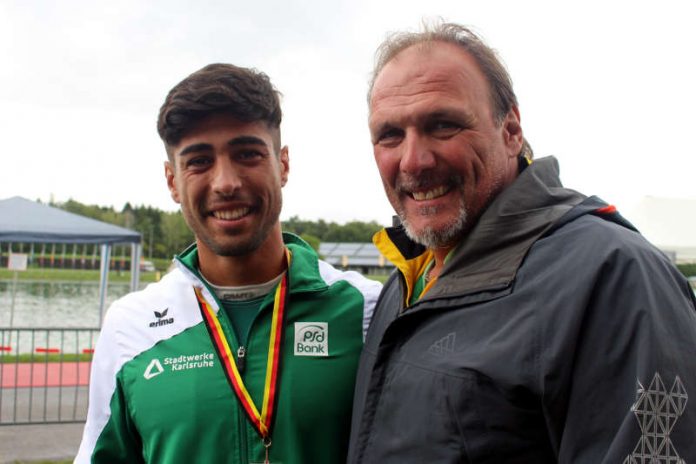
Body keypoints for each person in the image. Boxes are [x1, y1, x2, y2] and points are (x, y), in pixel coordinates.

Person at [348, 22, 696, 463]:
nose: (414, 161)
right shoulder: (408, 280)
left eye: (443, 125)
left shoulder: (612, 275)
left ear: (511, 130)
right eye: (390, 135)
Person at [75, 63, 381, 464]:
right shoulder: (130, 325)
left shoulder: (366, 308)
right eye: (199, 161)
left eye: (247, 153)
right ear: (172, 181)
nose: (226, 183)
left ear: (283, 164)